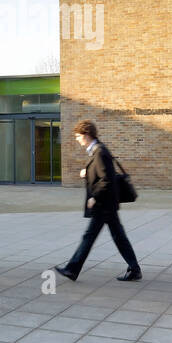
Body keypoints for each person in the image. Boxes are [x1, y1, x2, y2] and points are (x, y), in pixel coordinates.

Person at [54, 120, 142, 283]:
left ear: (86, 135)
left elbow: (107, 179)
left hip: (104, 205)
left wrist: (95, 197)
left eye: (78, 136)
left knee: (90, 236)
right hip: (107, 205)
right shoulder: (97, 150)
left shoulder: (100, 151)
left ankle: (72, 269)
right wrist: (86, 172)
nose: (77, 139)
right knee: (117, 237)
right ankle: (135, 269)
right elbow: (102, 173)